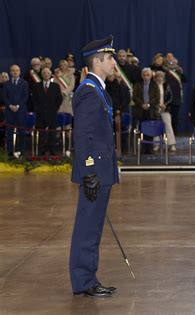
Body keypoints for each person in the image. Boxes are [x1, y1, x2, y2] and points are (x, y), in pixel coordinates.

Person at [69, 35, 119, 298]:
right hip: (95, 173)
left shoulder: (98, 90)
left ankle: (86, 277)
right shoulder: (89, 92)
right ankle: (84, 280)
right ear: (97, 61)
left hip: (101, 171)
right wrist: (89, 172)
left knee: (93, 226)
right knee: (87, 227)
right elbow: (83, 137)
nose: (114, 63)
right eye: (110, 58)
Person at [31, 68, 62, 155]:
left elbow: (59, 99)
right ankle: (42, 150)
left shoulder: (55, 86)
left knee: (52, 132)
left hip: (52, 113)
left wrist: (55, 108)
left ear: (50, 74)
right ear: (42, 75)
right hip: (40, 113)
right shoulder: (36, 86)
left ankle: (52, 150)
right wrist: (37, 109)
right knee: (42, 132)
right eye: (44, 73)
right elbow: (34, 99)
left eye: (48, 73)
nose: (46, 74)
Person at [2, 64, 29, 158]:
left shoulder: (24, 83)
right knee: (9, 132)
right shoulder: (6, 84)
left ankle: (21, 151)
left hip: (20, 110)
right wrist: (10, 106)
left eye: (17, 70)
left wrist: (17, 106)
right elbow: (4, 97)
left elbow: (25, 96)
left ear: (20, 72)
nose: (15, 72)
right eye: (13, 70)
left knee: (22, 131)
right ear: (10, 72)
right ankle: (9, 151)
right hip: (9, 111)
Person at [132, 68, 160, 154]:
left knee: (150, 129)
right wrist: (142, 104)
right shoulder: (138, 84)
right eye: (144, 75)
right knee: (142, 129)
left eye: (148, 75)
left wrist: (149, 104)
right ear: (141, 76)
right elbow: (135, 96)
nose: (146, 77)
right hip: (140, 110)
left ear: (151, 76)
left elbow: (156, 97)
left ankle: (150, 148)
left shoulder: (154, 85)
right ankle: (143, 147)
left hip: (151, 110)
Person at [153, 71, 176, 152]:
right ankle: (156, 144)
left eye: (161, 76)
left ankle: (171, 144)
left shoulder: (166, 86)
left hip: (165, 109)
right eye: (158, 76)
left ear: (163, 78)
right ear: (155, 78)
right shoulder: (152, 86)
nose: (159, 78)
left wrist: (165, 105)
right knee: (156, 126)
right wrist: (157, 105)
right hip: (155, 109)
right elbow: (151, 98)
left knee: (168, 126)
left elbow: (170, 98)